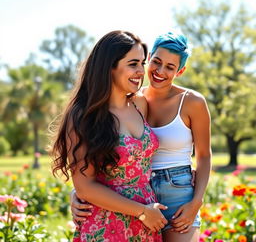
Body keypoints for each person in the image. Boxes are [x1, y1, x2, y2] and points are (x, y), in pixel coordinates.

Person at [71, 30, 212, 242]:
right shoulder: (136, 99)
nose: (159, 71)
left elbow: (204, 155)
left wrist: (196, 201)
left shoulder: (189, 102)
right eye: (155, 62)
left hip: (176, 193)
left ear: (180, 71)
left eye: (170, 67)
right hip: (137, 196)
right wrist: (79, 193)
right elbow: (107, 155)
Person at [50, 30, 168, 242]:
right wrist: (141, 211)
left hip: (147, 224)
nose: (141, 71)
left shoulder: (140, 104)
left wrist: (188, 170)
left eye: (142, 63)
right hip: (106, 226)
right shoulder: (83, 116)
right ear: (109, 67)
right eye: (133, 64)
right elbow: (85, 186)